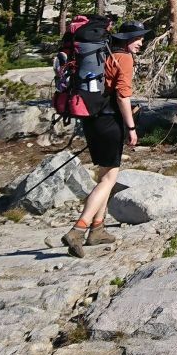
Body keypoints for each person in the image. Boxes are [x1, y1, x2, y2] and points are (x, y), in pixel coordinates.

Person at [63, 20, 148, 257]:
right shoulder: (124, 58)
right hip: (110, 121)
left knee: (104, 176)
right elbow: (122, 96)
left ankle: (97, 229)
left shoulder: (105, 54)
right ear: (127, 39)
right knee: (109, 179)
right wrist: (131, 127)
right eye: (138, 39)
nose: (141, 43)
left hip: (92, 119)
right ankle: (78, 229)